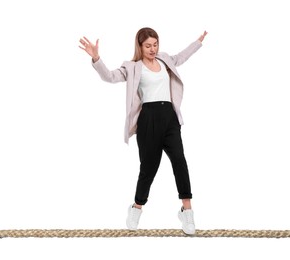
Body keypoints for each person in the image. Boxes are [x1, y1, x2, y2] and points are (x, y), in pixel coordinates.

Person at [79, 27, 207, 235]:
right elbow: (110, 77)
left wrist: (198, 42)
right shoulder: (132, 67)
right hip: (148, 120)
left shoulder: (165, 60)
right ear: (139, 46)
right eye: (148, 45)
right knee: (149, 167)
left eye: (155, 44)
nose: (153, 49)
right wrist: (96, 58)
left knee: (179, 161)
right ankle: (136, 208)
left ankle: (187, 211)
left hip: (170, 119)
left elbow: (182, 56)